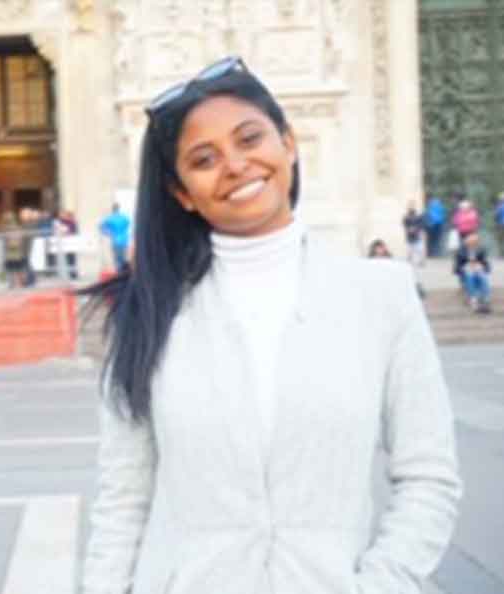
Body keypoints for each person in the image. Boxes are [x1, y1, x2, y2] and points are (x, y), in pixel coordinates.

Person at [81, 56, 462, 594]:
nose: (235, 166)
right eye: (204, 158)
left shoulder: (382, 295)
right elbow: (123, 501)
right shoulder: (146, 315)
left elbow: (429, 476)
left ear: (289, 143)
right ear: (182, 192)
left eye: (250, 139)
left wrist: (379, 584)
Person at [453, 232, 491, 313]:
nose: (473, 242)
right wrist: (465, 267)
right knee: (470, 275)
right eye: (470, 239)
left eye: (475, 240)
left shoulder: (481, 250)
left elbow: (487, 267)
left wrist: (481, 266)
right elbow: (456, 269)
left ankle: (485, 299)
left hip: (478, 272)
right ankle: (473, 299)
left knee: (482, 275)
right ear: (466, 241)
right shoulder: (460, 252)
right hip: (466, 274)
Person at [99, 203, 131, 272]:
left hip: (115, 240)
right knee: (123, 258)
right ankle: (123, 273)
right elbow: (128, 225)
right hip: (124, 240)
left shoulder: (110, 218)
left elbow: (101, 226)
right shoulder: (124, 217)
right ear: (119, 208)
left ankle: (118, 273)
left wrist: (107, 233)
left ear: (112, 209)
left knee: (116, 259)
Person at [0, 211, 26, 288]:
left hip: (14, 251)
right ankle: (15, 283)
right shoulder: (7, 228)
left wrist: (12, 242)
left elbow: (19, 238)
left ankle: (18, 283)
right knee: (15, 268)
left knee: (16, 268)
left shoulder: (13, 228)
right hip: (12, 252)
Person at [402, 201, 426, 266]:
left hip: (417, 235)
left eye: (412, 206)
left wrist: (416, 229)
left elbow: (421, 225)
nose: (411, 207)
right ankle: (409, 261)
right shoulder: (406, 217)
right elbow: (405, 225)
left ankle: (421, 261)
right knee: (410, 250)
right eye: (410, 206)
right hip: (410, 236)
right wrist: (409, 229)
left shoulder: (418, 216)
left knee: (419, 249)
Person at [494, 191, 504, 256]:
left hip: (501, 224)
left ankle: (501, 253)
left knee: (501, 239)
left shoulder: (499, 207)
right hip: (501, 224)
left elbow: (496, 216)